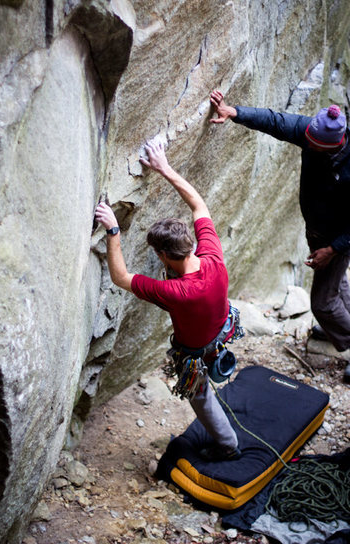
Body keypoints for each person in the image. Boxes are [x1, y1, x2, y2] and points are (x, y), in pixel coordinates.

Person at [95, 140, 243, 461]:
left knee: (199, 395)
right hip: (222, 326)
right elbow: (199, 207)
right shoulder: (211, 254)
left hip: (195, 349)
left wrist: (113, 231)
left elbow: (121, 278)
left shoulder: (177, 292)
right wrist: (164, 167)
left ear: (163, 255)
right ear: (189, 244)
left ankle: (228, 445)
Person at [210, 89, 350, 383]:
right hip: (320, 229)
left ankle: (343, 333)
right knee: (336, 283)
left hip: (337, 237)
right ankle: (338, 325)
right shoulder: (314, 133)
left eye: (312, 144)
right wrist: (234, 112)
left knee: (323, 303)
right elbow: (276, 122)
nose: (305, 144)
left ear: (332, 144)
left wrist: (333, 249)